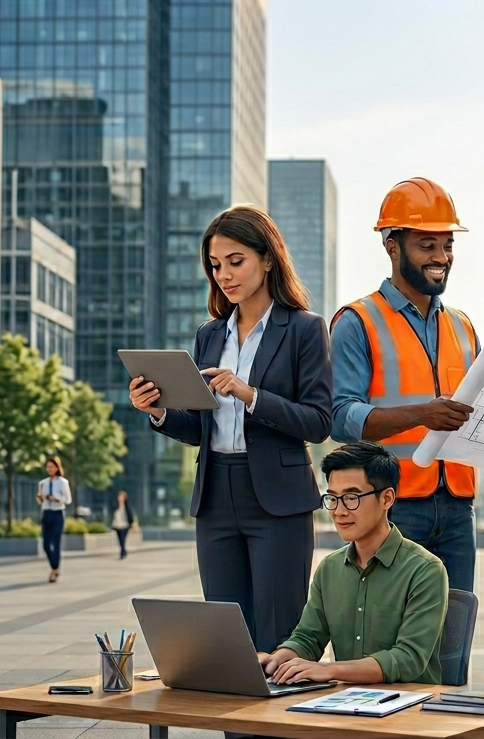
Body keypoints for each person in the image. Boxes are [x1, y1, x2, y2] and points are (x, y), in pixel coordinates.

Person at [130, 205, 331, 654]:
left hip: (278, 500)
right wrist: (159, 411)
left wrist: (249, 394)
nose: (224, 275)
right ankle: (235, 728)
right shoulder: (209, 335)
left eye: (235, 261)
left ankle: (275, 726)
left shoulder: (305, 330)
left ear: (267, 258)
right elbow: (203, 428)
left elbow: (319, 422)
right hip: (216, 496)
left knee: (280, 639)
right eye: (215, 265)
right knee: (228, 642)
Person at [328, 177, 481, 594]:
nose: (441, 257)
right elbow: (340, 419)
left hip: (457, 508)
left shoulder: (464, 328)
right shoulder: (357, 321)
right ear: (391, 246)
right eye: (426, 245)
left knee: (453, 642)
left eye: (447, 245)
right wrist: (421, 414)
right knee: (393, 643)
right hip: (392, 508)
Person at [258, 441, 448, 686]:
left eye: (351, 497)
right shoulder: (330, 568)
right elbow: (307, 638)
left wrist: (329, 670)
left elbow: (407, 658)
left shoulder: (425, 570)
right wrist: (275, 661)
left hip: (411, 708)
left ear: (387, 498)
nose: (339, 511)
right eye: (333, 498)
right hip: (347, 704)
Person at [38, 457, 71, 583]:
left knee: (56, 543)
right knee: (46, 544)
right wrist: (41, 498)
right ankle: (54, 566)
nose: (49, 469)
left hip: (58, 513)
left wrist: (56, 498)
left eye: (52, 467)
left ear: (57, 468)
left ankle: (54, 569)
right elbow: (41, 501)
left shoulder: (63, 482)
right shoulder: (43, 483)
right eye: (48, 467)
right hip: (46, 513)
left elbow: (68, 500)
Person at [111, 490, 136, 559]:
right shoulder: (115, 506)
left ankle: (122, 552)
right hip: (117, 525)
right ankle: (123, 551)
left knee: (123, 539)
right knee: (120, 540)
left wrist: (132, 523)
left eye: (122, 497)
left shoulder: (127, 507)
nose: (120, 498)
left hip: (125, 525)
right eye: (120, 497)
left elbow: (130, 515)